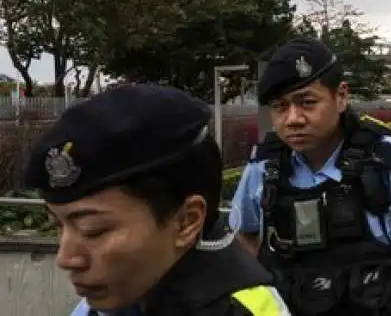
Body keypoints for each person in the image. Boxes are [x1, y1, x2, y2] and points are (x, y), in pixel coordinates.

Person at [230, 36, 391, 316]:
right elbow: (244, 240)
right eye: (279, 107)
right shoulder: (263, 169)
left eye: (307, 102)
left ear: (341, 97)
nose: (293, 118)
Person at [23, 85, 290, 316]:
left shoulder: (244, 309)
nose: (66, 258)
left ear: (187, 221)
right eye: (58, 225)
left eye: (94, 230)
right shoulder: (109, 302)